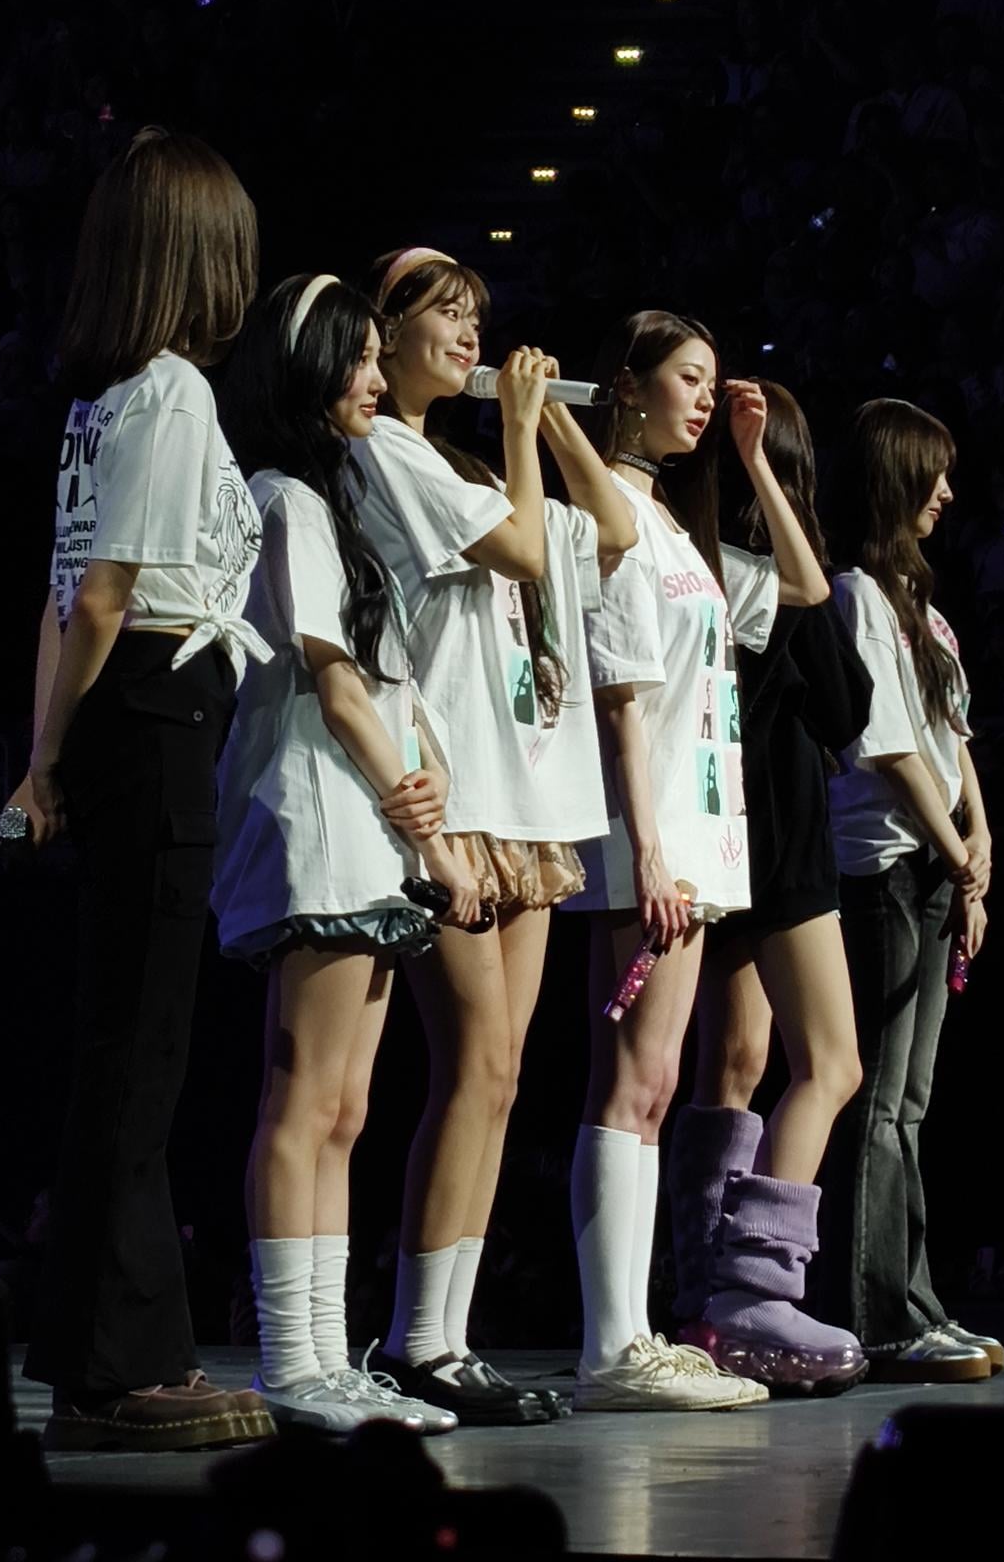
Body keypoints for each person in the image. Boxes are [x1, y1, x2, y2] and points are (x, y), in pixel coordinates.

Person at [3, 127, 273, 1450]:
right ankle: (124, 1371)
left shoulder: (98, 400)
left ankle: (99, 1359)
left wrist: (44, 757)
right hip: (153, 715)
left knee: (122, 1044)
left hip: (120, 720)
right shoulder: (167, 394)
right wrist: (49, 757)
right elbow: (105, 594)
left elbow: (62, 598)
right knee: (141, 1051)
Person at [356, 247, 637, 1425]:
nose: (471, 333)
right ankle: (414, 1340)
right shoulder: (384, 452)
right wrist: (521, 428)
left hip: (529, 796)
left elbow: (609, 527)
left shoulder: (473, 461)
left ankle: (449, 1337)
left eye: (478, 314)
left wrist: (549, 418)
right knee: (471, 1059)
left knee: (506, 1071)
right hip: (457, 789)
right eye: (446, 315)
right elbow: (522, 549)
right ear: (386, 333)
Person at [213, 272, 480, 1436]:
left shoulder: (328, 501)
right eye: (360, 358)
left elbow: (382, 678)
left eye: (379, 357)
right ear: (308, 367)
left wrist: (429, 785)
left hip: (359, 821)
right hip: (317, 814)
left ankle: (326, 1357)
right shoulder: (282, 499)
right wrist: (428, 826)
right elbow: (331, 679)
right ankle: (293, 1361)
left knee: (346, 1104)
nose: (378, 378)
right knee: (306, 1095)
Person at [570, 313, 833, 1414]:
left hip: (698, 840)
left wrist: (756, 459)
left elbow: (806, 593)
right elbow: (621, 700)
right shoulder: (615, 514)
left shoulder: (675, 524)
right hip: (656, 840)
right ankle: (613, 1344)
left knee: (656, 1084)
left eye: (710, 382)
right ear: (629, 386)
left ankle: (630, 1336)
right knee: (634, 1082)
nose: (703, 400)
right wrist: (651, 848)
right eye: (687, 379)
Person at [668, 382, 872, 1395]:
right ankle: (755, 1290)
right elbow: (847, 711)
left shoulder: (708, 571)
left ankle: (699, 1288)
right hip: (780, 843)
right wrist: (761, 467)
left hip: (723, 838)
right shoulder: (766, 585)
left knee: (735, 1062)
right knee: (831, 1064)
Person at [818, 398, 1004, 1381]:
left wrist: (980, 845)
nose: (947, 492)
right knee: (880, 1102)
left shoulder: (919, 606)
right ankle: (879, 1316)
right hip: (885, 866)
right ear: (894, 477)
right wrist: (953, 848)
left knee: (913, 1104)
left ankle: (917, 1300)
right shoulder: (855, 595)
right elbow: (890, 750)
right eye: (932, 473)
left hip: (934, 865)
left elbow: (953, 738)